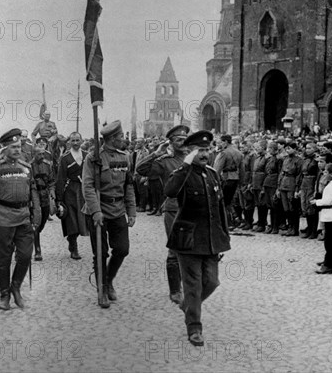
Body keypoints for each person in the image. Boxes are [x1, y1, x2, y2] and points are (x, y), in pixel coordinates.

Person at [164, 130, 231, 347]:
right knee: (192, 286)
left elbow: (219, 209)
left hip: (211, 239)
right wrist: (185, 165)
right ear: (189, 152)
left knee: (211, 282)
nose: (204, 154)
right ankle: (194, 328)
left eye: (207, 149)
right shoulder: (182, 173)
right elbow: (170, 191)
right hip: (188, 239)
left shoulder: (212, 174)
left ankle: (188, 305)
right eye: (199, 150)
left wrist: (223, 239)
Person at [0, 128, 41, 310]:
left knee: (26, 255)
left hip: (23, 217)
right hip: (3, 217)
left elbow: (32, 189)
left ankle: (16, 287)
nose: (17, 150)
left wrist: (37, 213)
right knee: (4, 259)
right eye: (12, 147)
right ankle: (4, 294)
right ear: (4, 148)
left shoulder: (26, 167)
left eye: (19, 146)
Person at [82, 120, 136, 309]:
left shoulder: (125, 157)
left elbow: (128, 185)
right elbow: (87, 186)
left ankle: (109, 279)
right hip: (98, 209)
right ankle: (102, 289)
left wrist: (132, 210)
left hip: (118, 209)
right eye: (121, 137)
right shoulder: (93, 157)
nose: (123, 140)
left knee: (122, 249)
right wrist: (96, 211)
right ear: (112, 138)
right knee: (100, 253)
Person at [136, 124, 190, 306]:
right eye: (178, 140)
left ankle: (187, 284)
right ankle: (175, 290)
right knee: (175, 249)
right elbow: (141, 170)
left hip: (193, 209)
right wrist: (156, 153)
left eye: (185, 139)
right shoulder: (165, 161)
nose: (182, 142)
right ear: (171, 142)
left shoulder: (195, 159)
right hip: (174, 208)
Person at [55, 132, 88, 260]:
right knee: (72, 219)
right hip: (70, 190)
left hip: (84, 191)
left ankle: (73, 238)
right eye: (73, 140)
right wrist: (59, 199)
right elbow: (61, 178)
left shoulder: (87, 156)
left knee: (83, 219)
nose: (75, 143)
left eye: (77, 140)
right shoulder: (65, 158)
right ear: (69, 142)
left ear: (81, 141)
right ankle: (73, 247)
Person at [311, 163, 332, 273]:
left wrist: (316, 202)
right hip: (331, 214)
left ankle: (328, 264)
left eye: (326, 172)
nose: (324, 173)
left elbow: (327, 201)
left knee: (329, 241)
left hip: (331, 214)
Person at [213, 134, 244, 229]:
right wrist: (241, 182)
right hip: (235, 178)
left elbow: (217, 169)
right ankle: (234, 219)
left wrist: (214, 182)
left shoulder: (224, 153)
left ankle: (228, 223)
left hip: (226, 178)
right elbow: (242, 170)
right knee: (230, 201)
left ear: (226, 142)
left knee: (223, 201)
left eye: (221, 142)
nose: (220, 144)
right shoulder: (239, 153)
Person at [31, 146, 55, 261]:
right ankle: (37, 250)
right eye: (39, 154)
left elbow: (51, 181)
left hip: (44, 195)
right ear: (34, 154)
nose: (42, 156)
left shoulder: (47, 165)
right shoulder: (29, 166)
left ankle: (34, 235)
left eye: (43, 154)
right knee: (36, 220)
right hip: (33, 196)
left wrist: (52, 192)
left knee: (44, 218)